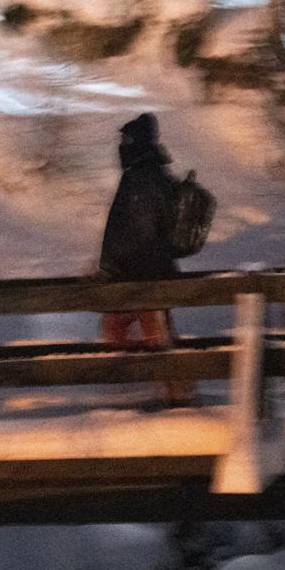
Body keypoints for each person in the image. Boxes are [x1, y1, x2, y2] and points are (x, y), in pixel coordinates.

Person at [96, 113, 192, 405]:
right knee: (123, 332)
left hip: (141, 278)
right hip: (138, 275)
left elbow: (139, 233)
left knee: (155, 337)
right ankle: (139, 394)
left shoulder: (142, 179)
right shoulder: (148, 174)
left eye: (126, 140)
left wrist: (115, 268)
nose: (122, 146)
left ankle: (175, 397)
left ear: (137, 143)